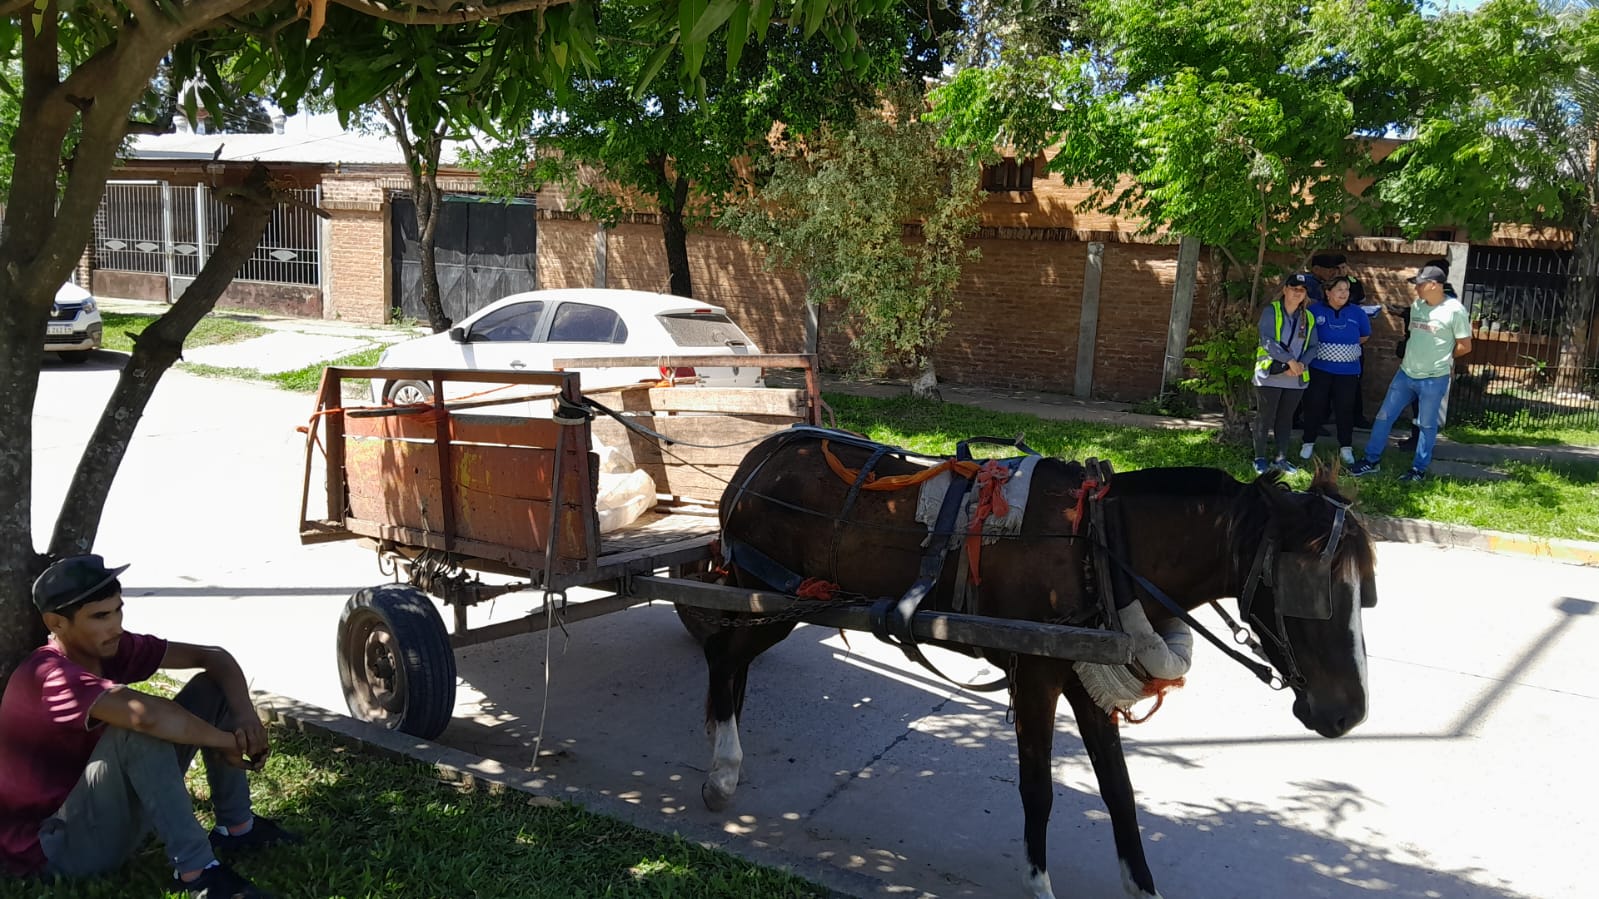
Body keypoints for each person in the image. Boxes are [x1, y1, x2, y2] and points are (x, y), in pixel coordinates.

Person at [0, 555, 298, 897]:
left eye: (118, 610)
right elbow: (146, 716)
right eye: (100, 616)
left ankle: (238, 828)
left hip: (98, 819)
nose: (115, 626)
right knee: (135, 727)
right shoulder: (50, 677)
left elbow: (214, 657)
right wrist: (227, 742)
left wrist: (246, 718)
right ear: (57, 622)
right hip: (52, 849)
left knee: (213, 687)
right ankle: (197, 872)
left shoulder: (110, 648)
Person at [1349, 263, 1473, 482]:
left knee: (1426, 425)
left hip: (1434, 378)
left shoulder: (1455, 310)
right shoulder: (1417, 306)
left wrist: (1442, 359)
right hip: (1405, 374)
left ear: (1434, 285)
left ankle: (1418, 469)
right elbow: (1414, 337)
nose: (1416, 289)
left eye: (1420, 285)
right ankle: (1371, 460)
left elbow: (1465, 346)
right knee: (1383, 416)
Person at [1299, 275, 1371, 465]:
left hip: (1347, 371)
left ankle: (1346, 447)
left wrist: (1342, 351)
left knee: (1345, 409)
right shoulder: (1314, 310)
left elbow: (1364, 336)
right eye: (1339, 289)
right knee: (1314, 405)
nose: (1344, 293)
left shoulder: (1357, 313)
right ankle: (1308, 443)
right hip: (1319, 368)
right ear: (1328, 292)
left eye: (1346, 290)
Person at [1252, 272, 1318, 475]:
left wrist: (1300, 365)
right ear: (1285, 290)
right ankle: (1260, 458)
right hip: (1269, 375)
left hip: (1294, 378)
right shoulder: (1271, 311)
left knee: (1285, 418)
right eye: (1294, 289)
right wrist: (1290, 361)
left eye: (1302, 290)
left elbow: (1313, 346)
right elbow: (1267, 341)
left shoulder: (1308, 317)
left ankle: (1281, 458)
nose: (1298, 293)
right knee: (1265, 417)